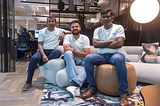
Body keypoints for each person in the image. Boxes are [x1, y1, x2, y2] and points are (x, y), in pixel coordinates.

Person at [82, 9, 129, 106]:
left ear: (112, 18)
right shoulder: (98, 30)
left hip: (115, 54)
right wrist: (111, 41)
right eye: (103, 17)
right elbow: (95, 44)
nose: (105, 18)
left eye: (107, 16)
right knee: (88, 58)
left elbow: (119, 43)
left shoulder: (118, 28)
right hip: (101, 56)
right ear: (101, 19)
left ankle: (123, 93)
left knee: (119, 59)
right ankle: (92, 88)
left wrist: (102, 44)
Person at [22, 16, 71, 91]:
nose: (51, 23)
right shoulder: (42, 31)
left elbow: (71, 32)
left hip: (53, 51)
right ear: (47, 23)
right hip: (42, 50)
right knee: (34, 58)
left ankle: (38, 65)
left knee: (58, 52)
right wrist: (44, 55)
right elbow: (40, 45)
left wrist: (64, 33)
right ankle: (28, 81)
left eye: (52, 21)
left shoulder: (59, 30)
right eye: (49, 21)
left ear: (55, 23)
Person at [63, 20, 90, 97]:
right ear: (70, 29)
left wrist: (73, 50)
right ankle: (76, 84)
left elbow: (87, 54)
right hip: (70, 59)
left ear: (80, 28)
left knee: (90, 63)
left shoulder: (85, 38)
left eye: (76, 26)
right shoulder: (67, 37)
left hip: (81, 60)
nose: (75, 28)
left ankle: (75, 85)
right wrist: (77, 53)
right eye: (73, 27)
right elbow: (66, 49)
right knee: (68, 53)